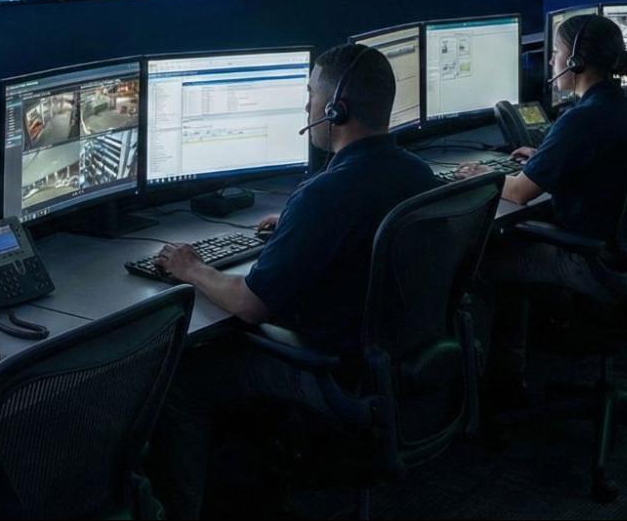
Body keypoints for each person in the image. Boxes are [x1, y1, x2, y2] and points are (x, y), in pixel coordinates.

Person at [145, 43, 438, 519]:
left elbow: (250, 303)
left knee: (180, 378)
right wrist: (300, 223)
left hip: (331, 372)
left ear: (334, 109)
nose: (306, 107)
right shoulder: (416, 172)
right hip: (390, 362)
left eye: (310, 95)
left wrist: (190, 267)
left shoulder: (326, 193)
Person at [460, 13, 627, 389]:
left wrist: (482, 175)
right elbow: (596, 161)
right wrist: (544, 157)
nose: (551, 61)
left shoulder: (582, 120)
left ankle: (497, 382)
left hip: (589, 258)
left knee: (482, 258)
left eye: (556, 53)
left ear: (575, 62)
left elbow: (518, 193)